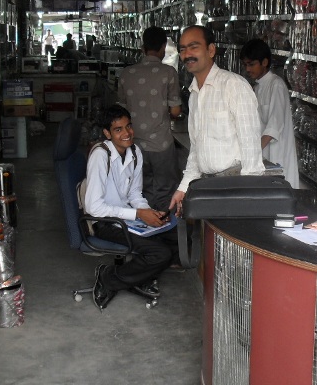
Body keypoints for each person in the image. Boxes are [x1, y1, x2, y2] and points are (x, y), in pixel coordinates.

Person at [169, 25, 265, 214]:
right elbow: (196, 150)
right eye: (182, 49)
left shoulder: (234, 86)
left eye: (193, 47)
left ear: (211, 50)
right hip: (208, 187)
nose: (187, 54)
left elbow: (251, 149)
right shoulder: (195, 94)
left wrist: (247, 202)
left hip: (234, 188)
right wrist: (183, 187)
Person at [85, 104, 173, 309]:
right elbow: (93, 207)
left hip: (126, 217)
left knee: (177, 239)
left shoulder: (134, 152)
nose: (127, 133)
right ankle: (109, 277)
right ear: (107, 133)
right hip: (105, 222)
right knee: (161, 254)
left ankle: (136, 277)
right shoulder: (100, 155)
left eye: (128, 126)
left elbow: (134, 193)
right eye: (118, 129)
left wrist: (148, 213)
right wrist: (138, 214)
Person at [117, 26, 182, 211]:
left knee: (138, 191)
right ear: (163, 47)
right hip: (161, 144)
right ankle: (164, 227)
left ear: (142, 47)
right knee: (165, 189)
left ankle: (145, 228)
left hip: (133, 143)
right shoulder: (168, 73)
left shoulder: (126, 74)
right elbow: (176, 111)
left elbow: (120, 111)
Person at [241, 38, 300, 189]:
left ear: (265, 62)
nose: (248, 69)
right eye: (246, 64)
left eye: (252, 64)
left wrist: (252, 152)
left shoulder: (276, 85)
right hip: (265, 155)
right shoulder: (257, 87)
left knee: (281, 197)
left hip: (278, 154)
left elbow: (274, 126)